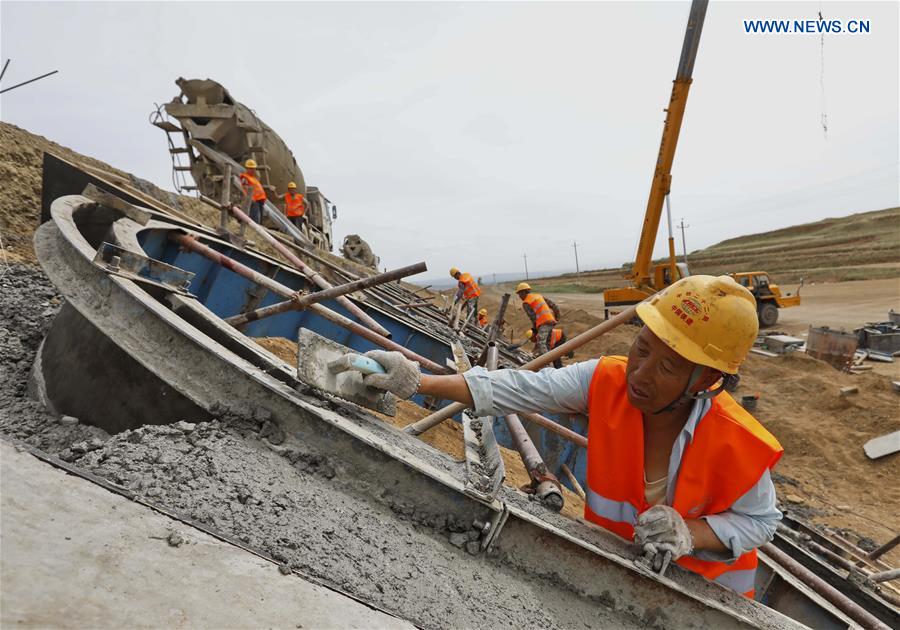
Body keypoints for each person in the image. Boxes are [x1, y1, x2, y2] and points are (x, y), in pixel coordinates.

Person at [361, 275, 783, 598]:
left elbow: (761, 521)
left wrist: (692, 533)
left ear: (707, 378)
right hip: (618, 578)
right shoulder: (606, 380)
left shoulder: (737, 441)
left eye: (668, 367)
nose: (640, 373)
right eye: (642, 347)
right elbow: (515, 388)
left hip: (706, 600)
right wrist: (417, 380)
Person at [516, 282, 561, 356]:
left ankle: (546, 361)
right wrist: (557, 317)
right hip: (551, 321)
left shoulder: (526, 302)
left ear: (524, 292)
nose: (519, 296)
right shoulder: (538, 296)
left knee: (541, 342)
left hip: (543, 323)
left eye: (520, 294)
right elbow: (554, 305)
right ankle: (549, 360)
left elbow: (533, 318)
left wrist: (534, 330)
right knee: (547, 343)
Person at [239, 159, 267, 224]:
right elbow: (245, 188)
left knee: (260, 220)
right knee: (255, 218)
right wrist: (250, 198)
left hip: (260, 200)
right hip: (254, 200)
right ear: (247, 168)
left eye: (254, 168)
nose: (253, 170)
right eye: (251, 168)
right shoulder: (245, 177)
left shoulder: (253, 178)